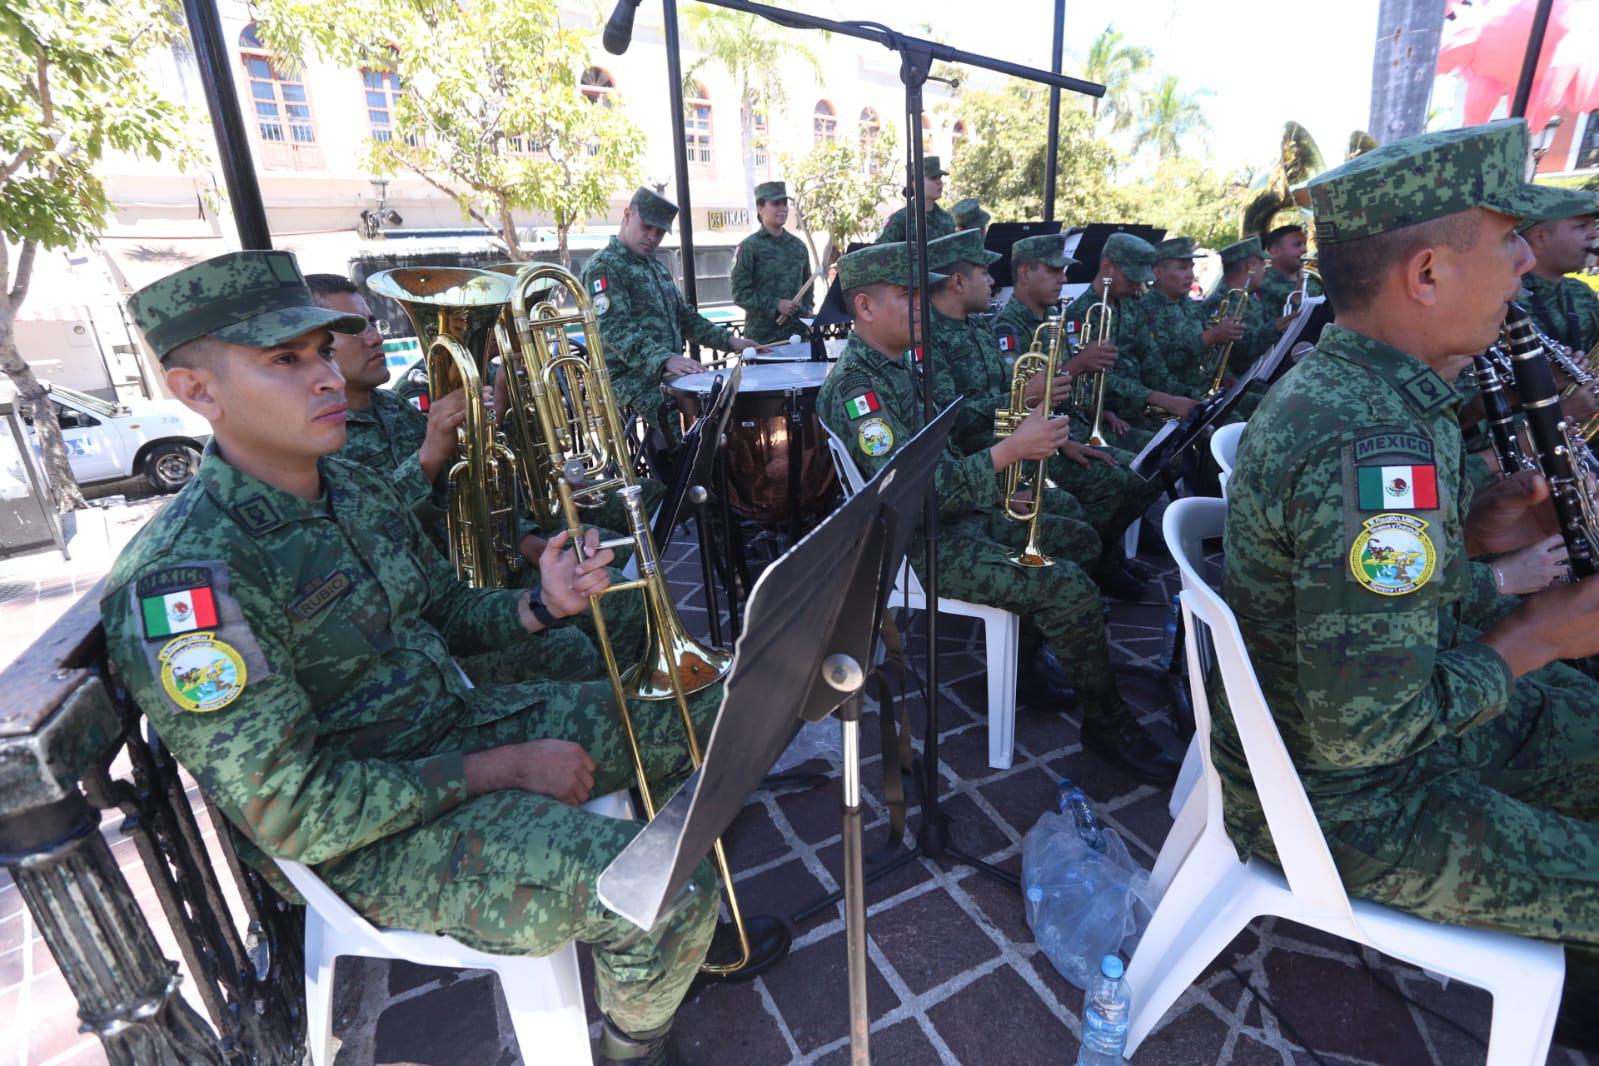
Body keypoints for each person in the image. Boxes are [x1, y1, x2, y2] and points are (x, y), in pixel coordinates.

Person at [103, 251, 719, 1065]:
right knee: (668, 896)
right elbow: (291, 809)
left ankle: (647, 961)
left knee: (703, 708)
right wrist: (501, 768)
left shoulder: (349, 488)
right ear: (196, 392)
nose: (325, 376)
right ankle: (635, 1047)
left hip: (450, 725)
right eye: (285, 360)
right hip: (365, 839)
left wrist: (542, 602)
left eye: (322, 351)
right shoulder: (186, 581)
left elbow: (447, 610)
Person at [1218, 118, 1599, 1040]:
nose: (1522, 264)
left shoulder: (1385, 392)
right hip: (1352, 802)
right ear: (1426, 274)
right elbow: (1365, 732)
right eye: (1508, 240)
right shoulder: (1369, 438)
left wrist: (1471, 544)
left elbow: (1373, 595)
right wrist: (1537, 637)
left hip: (1357, 740)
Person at [819, 241, 1182, 783]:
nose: (922, 306)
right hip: (919, 546)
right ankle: (1106, 723)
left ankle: (1025, 668)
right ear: (865, 308)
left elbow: (948, 449)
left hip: (953, 520)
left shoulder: (900, 368)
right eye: (906, 296)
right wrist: (1007, 454)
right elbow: (914, 495)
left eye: (922, 294)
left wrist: (1002, 478)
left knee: (1079, 540)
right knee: (1070, 588)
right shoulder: (859, 389)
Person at [923, 230, 1151, 602]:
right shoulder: (935, 341)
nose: (995, 280)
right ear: (959, 282)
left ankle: (1084, 578)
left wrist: (1065, 441)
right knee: (1076, 512)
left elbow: (1013, 406)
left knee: (1110, 487)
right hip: (983, 466)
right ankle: (1067, 595)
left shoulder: (979, 328)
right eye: (984, 272)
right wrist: (1031, 394)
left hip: (1013, 453)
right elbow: (953, 423)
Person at [582, 187, 757, 435]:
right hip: (632, 384)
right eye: (647, 227)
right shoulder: (604, 267)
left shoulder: (654, 266)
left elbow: (684, 317)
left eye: (660, 232)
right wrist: (665, 358)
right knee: (691, 443)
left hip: (664, 379)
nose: (652, 236)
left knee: (722, 416)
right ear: (627, 215)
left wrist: (731, 341)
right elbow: (614, 329)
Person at [1059, 233, 1197, 436]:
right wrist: (1161, 399)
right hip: (1107, 418)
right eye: (1131, 277)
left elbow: (1153, 366)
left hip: (1141, 410)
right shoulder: (1080, 315)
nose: (1136, 285)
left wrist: (1189, 396)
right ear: (1107, 267)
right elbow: (1095, 380)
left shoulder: (1132, 307)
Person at [1139, 237, 1242, 403]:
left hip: (1209, 390)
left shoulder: (1189, 304)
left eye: (1191, 267)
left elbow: (1210, 353)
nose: (1191, 275)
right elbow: (1161, 363)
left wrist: (1225, 376)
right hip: (1179, 400)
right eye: (1182, 268)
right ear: (1158, 272)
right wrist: (1210, 337)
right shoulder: (1147, 309)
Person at [730, 180, 814, 345]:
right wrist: (776, 304)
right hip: (763, 342)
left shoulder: (798, 246)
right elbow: (740, 293)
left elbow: (808, 287)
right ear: (760, 208)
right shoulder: (749, 247)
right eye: (776, 204)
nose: (782, 209)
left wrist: (807, 311)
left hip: (797, 338)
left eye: (785, 204)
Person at [1518, 195, 1599, 356]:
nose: (1594, 234)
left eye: (1594, 226)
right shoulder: (1499, 300)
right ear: (1540, 237)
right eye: (1582, 226)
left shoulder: (1581, 291)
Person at [1200, 236, 1277, 377]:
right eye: (1262, 264)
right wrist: (1276, 328)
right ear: (1251, 265)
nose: (1265, 270)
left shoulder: (1249, 298)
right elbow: (1238, 351)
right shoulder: (1221, 302)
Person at [876, 156, 957, 243]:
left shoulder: (946, 220)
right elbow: (882, 252)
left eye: (940, 177)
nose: (939, 182)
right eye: (933, 178)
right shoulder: (901, 220)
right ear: (915, 183)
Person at [1259, 222, 1324, 325]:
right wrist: (1297, 298)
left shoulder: (1314, 277)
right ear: (1275, 251)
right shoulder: (1261, 284)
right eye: (1297, 245)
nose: (1304, 250)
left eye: (1304, 243)